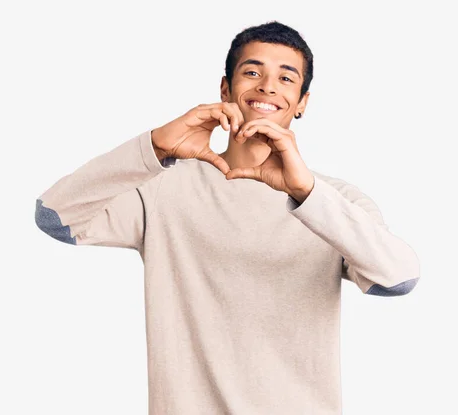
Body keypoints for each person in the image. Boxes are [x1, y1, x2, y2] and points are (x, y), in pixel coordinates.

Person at [35, 21, 420, 415]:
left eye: (286, 78)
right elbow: (55, 217)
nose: (268, 86)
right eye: (252, 72)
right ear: (225, 89)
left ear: (302, 102)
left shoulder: (334, 201)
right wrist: (155, 147)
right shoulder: (164, 188)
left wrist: (306, 193)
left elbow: (399, 279)